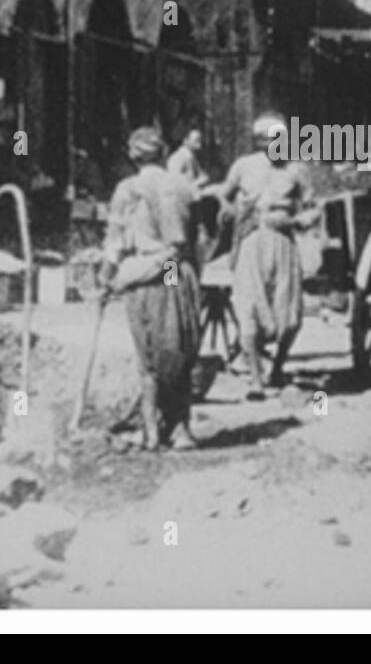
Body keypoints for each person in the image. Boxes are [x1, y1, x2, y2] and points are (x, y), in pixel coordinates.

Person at [105, 126, 202, 450]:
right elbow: (196, 235)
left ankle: (151, 432)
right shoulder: (183, 186)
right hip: (174, 269)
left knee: (147, 356)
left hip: (141, 276)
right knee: (178, 348)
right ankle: (181, 430)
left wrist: (106, 277)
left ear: (133, 158)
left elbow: (115, 243)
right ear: (162, 153)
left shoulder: (126, 190)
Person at [220, 113, 317, 400]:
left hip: (283, 241)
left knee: (289, 316)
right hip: (251, 241)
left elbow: (313, 207)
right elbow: (224, 196)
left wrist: (299, 221)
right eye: (268, 140)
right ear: (259, 142)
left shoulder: (297, 169)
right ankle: (255, 379)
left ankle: (277, 367)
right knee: (248, 308)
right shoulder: (244, 166)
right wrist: (232, 211)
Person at [167, 126, 210, 192]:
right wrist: (197, 183)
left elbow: (202, 175)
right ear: (186, 141)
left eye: (200, 139)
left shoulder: (192, 157)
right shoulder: (177, 158)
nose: (200, 142)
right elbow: (174, 185)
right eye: (197, 140)